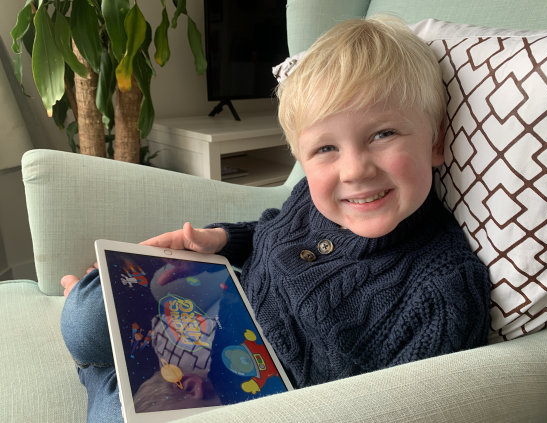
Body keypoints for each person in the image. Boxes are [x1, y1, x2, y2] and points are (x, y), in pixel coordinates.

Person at [60, 14, 491, 422]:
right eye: (326, 149)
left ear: (436, 142)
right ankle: (89, 329)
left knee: (116, 412)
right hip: (219, 306)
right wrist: (221, 240)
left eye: (383, 134)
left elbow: (407, 407)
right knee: (85, 315)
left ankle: (95, 375)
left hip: (263, 401)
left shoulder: (445, 291)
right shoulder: (315, 196)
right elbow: (272, 229)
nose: (355, 169)